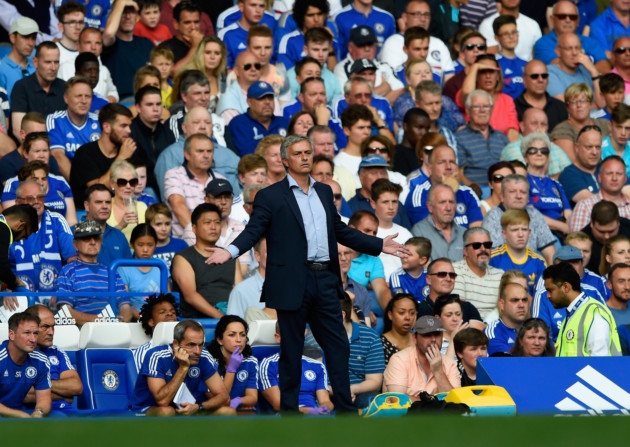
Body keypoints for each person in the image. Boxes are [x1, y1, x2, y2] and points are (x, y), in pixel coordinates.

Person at [206, 134, 408, 413]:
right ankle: (290, 412)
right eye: (298, 153)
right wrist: (229, 252)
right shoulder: (270, 195)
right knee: (292, 349)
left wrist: (379, 244)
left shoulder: (324, 192)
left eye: (308, 152)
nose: (304, 157)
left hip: (325, 277)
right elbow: (254, 231)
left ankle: (345, 412)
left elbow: (340, 230)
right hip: (293, 281)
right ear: (286, 160)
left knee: (338, 345)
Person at [130, 319, 233, 416]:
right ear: (176, 344)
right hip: (150, 409)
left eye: (201, 345)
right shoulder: (156, 356)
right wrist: (183, 368)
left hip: (188, 409)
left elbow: (224, 397)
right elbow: (162, 401)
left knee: (228, 412)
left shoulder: (204, 356)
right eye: (191, 345)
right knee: (167, 411)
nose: (197, 351)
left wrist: (199, 407)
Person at [172, 203, 242, 318]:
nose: (213, 227)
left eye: (217, 222)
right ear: (194, 228)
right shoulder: (183, 258)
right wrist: (222, 318)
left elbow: (239, 292)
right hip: (198, 322)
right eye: (207, 223)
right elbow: (190, 296)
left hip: (231, 318)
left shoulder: (230, 256)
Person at [56, 220, 132, 325]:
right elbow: (65, 311)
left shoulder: (111, 272)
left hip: (113, 330)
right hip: (82, 333)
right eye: (86, 238)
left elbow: (125, 306)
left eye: (96, 238)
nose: (92, 242)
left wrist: (122, 320)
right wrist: (100, 321)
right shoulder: (68, 272)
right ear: (75, 244)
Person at [9, 180, 76, 293]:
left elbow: (73, 260)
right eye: (30, 198)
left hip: (56, 292)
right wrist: (8, 288)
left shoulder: (57, 221)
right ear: (18, 203)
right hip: (18, 294)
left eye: (40, 197)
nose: (36, 202)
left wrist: (64, 290)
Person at [543, 262, 622, 357]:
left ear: (566, 287)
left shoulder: (594, 312)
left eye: (550, 290)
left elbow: (600, 361)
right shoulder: (572, 316)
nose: (548, 296)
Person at [69, 103, 136, 209]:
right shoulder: (85, 153)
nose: (129, 130)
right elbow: (97, 190)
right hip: (90, 214)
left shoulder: (130, 151)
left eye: (129, 126)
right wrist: (121, 158)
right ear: (107, 127)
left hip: (121, 209)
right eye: (123, 126)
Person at [258, 322, 333, 415]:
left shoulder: (317, 365)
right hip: (287, 417)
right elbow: (278, 404)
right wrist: (310, 411)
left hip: (315, 417)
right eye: (290, 334)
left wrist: (325, 408)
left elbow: (325, 401)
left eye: (299, 334)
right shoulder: (268, 365)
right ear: (278, 337)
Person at [164, 133, 227, 241]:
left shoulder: (220, 179)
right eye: (200, 151)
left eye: (209, 151)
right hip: (186, 243)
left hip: (218, 241)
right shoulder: (174, 175)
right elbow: (178, 206)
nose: (206, 155)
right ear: (187, 154)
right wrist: (201, 238)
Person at [482, 174, 557, 264]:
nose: (518, 196)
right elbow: (493, 257)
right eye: (512, 191)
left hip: (533, 270)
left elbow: (550, 253)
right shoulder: (492, 217)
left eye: (523, 192)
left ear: (528, 198)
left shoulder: (535, 214)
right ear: (502, 197)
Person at [382, 315, 460, 399]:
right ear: (414, 338)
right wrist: (431, 403)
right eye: (427, 335)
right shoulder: (399, 360)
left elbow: (455, 402)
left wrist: (438, 371)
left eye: (437, 334)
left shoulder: (450, 364)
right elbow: (397, 400)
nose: (433, 339)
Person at [405, 144, 483, 227]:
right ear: (429, 169)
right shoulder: (418, 196)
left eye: (452, 162)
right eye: (441, 162)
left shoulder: (468, 193)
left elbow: (476, 231)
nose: (448, 167)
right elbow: (430, 232)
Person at [24, 305, 83, 413]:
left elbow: (76, 386)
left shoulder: (56, 352)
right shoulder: (20, 353)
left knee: (114, 417)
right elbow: (26, 394)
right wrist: (64, 396)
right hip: (38, 413)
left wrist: (39, 384)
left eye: (53, 327)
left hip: (69, 411)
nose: (51, 332)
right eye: (45, 327)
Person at [47, 76, 101, 180]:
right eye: (78, 96)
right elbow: (58, 156)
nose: (84, 101)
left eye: (88, 96)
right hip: (69, 182)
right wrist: (80, 186)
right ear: (66, 98)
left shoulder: (100, 121)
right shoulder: (55, 120)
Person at [10, 41, 66, 140]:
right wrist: (41, 152)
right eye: (48, 62)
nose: (53, 68)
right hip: (30, 150)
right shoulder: (22, 87)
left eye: (56, 62)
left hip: (60, 148)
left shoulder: (65, 87)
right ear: (35, 62)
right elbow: (18, 130)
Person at [0, 312, 51, 418]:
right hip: (11, 413)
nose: (33, 339)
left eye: (35, 333)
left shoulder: (40, 360)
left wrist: (39, 413)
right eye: (27, 333)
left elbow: (44, 399)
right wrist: (19, 415)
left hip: (20, 411)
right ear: (12, 335)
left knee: (59, 416)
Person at [339, 291, 385, 408]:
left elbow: (374, 381)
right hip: (327, 393)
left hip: (360, 391)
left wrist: (351, 390)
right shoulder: (315, 337)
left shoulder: (370, 337)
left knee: (372, 401)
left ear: (341, 315)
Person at [457, 54, 519, 140]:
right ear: (476, 76)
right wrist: (475, 67)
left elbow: (513, 131)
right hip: (473, 147)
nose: (488, 76)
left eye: (492, 72)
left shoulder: (507, 100)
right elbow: (467, 93)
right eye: (483, 71)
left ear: (498, 76)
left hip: (500, 148)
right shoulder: (469, 96)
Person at [455, 89, 511, 187]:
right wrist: (473, 189)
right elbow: (458, 173)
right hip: (473, 191)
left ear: (491, 109)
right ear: (468, 111)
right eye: (476, 107)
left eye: (486, 106)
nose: (482, 110)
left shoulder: (502, 138)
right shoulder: (459, 138)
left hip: (502, 191)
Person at [129, 85, 176, 197]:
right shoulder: (130, 131)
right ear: (138, 108)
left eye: (158, 104)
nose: (155, 109)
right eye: (149, 104)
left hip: (166, 183)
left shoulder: (168, 131)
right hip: (141, 187)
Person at [101, 0, 154, 98]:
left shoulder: (146, 43)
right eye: (123, 12)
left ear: (137, 16)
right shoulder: (111, 43)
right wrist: (120, 3)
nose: (128, 17)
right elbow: (108, 33)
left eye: (131, 12)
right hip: (119, 101)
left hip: (145, 99)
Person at [206, 315, 259, 412]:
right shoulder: (208, 362)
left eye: (242, 335)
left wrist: (239, 400)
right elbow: (221, 400)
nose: (239, 340)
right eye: (232, 335)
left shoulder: (250, 361)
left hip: (240, 410)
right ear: (220, 340)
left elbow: (252, 397)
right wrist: (231, 369)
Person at [490, 209, 547, 296]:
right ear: (504, 234)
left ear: (529, 232)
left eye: (524, 229)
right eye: (514, 230)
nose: (520, 234)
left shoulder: (539, 262)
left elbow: (542, 297)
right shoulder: (492, 258)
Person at [452, 227, 505, 320]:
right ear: (465, 251)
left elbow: (505, 308)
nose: (483, 249)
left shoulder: (500, 275)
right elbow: (460, 309)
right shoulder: (455, 271)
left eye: (487, 245)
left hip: (496, 328)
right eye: (477, 245)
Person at [226, 81, 289, 157]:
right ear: (249, 102)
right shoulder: (239, 123)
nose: (267, 102)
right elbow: (249, 155)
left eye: (270, 98)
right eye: (261, 98)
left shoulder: (285, 122)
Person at [552, 84, 609, 167]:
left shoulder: (604, 124)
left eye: (583, 101)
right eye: (573, 102)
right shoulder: (562, 130)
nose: (579, 105)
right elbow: (572, 165)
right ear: (568, 108)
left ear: (590, 104)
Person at [570, 156, 630, 233]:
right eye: (609, 173)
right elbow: (577, 242)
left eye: (619, 173)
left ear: (625, 179)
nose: (614, 178)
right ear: (600, 177)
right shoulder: (584, 206)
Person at [117, 224, 164, 319]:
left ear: (156, 245)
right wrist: (144, 318)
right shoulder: (124, 269)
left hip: (159, 319)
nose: (145, 249)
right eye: (140, 245)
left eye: (150, 245)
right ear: (132, 245)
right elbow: (124, 302)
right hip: (134, 320)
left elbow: (167, 297)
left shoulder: (160, 265)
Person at [411, 184, 465, 261]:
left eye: (451, 202)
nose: (448, 208)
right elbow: (422, 266)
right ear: (430, 207)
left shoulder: (464, 233)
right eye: (442, 202)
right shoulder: (419, 232)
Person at [514, 59, 568, 132]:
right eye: (534, 76)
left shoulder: (560, 106)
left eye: (544, 76)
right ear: (524, 80)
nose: (540, 80)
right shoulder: (513, 107)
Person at [133, 292, 179, 372]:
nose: (170, 314)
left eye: (173, 312)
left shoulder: (190, 347)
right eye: (162, 312)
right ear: (151, 322)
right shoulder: (143, 353)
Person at [181, 36, 226, 114]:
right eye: (208, 52)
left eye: (217, 53)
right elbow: (179, 105)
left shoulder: (222, 77)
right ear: (200, 54)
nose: (212, 57)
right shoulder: (188, 76)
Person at [0, 204, 38, 297]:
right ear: (20, 225)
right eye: (24, 236)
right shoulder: (3, 229)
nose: (19, 240)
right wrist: (14, 281)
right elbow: (1, 267)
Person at [226, 237, 267, 319]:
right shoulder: (241, 291)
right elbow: (234, 327)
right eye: (270, 251)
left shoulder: (292, 287)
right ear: (257, 256)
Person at [485, 281, 529, 355]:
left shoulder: (535, 329)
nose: (521, 305)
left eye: (524, 300)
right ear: (502, 304)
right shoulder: (493, 332)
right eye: (515, 300)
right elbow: (505, 364)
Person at [161, 1, 204, 74]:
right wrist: (195, 47)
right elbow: (173, 73)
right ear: (176, 24)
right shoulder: (166, 48)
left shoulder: (207, 44)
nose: (193, 27)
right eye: (187, 22)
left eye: (196, 22)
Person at [0, 16, 37, 100]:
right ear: (13, 38)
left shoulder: (36, 67)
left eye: (33, 38)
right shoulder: (1, 69)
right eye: (26, 37)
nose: (31, 43)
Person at [145, 203, 187, 271]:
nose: (164, 229)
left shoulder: (181, 245)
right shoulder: (144, 249)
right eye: (158, 224)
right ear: (148, 225)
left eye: (167, 224)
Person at [389, 237, 431, 303]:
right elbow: (400, 303)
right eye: (403, 252)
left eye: (409, 254)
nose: (403, 256)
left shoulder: (430, 275)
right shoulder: (396, 276)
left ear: (422, 260)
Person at [380, 293, 418, 365]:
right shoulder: (380, 344)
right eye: (401, 313)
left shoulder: (420, 340)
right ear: (390, 315)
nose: (407, 317)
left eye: (412, 313)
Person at [433, 293, 468, 360]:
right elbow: (446, 369)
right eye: (449, 315)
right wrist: (453, 339)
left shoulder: (471, 337)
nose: (455, 319)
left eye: (458, 314)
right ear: (438, 318)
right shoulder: (433, 342)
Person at [606, 263, 630, 327]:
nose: (627, 287)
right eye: (621, 281)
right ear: (609, 284)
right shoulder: (601, 313)